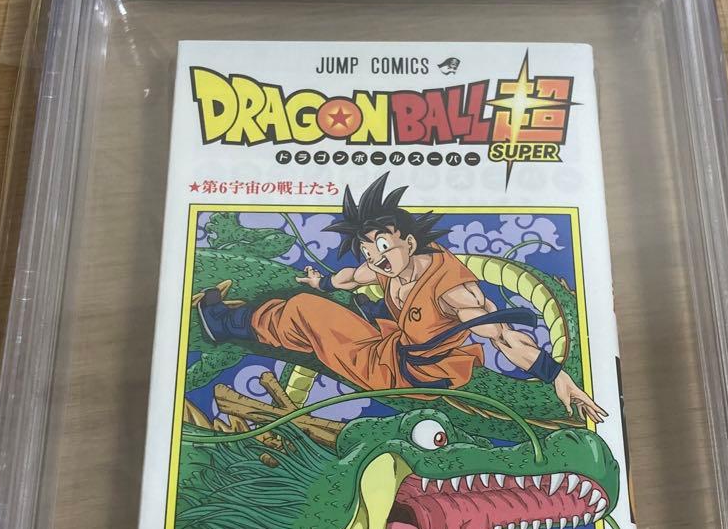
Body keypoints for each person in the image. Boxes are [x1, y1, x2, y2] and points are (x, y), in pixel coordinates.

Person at [196, 174, 605, 421]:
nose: (376, 258)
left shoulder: (451, 288)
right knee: (330, 308)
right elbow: (353, 277)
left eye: (382, 247)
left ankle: (222, 324)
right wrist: (323, 284)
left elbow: (501, 336)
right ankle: (272, 324)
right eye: (368, 250)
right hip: (396, 339)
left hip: (407, 373)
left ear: (409, 241)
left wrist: (557, 376)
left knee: (304, 311)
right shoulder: (386, 263)